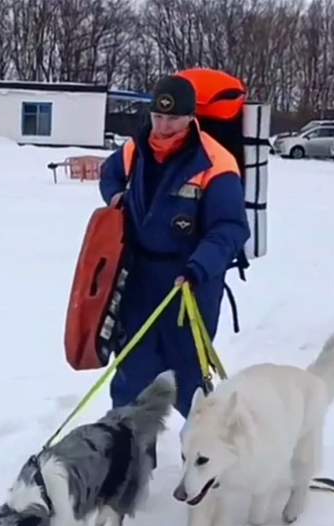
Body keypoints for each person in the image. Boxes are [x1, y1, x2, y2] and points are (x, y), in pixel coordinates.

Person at [98, 74, 250, 419]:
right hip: (138, 277)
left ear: (190, 118)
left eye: (172, 119)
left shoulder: (216, 162)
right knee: (131, 372)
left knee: (189, 377)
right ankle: (129, 453)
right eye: (157, 117)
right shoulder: (135, 149)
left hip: (191, 284)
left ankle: (202, 458)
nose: (163, 126)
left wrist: (197, 269)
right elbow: (109, 175)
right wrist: (116, 197)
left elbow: (230, 228)